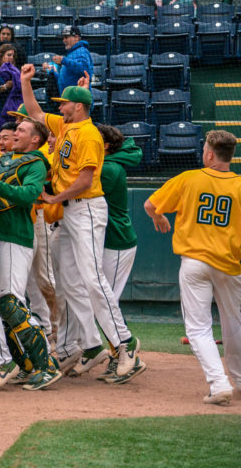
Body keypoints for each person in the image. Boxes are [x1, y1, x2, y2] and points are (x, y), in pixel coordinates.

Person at [20, 64, 141, 378]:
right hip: (70, 211)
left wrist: (53, 198)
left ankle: (126, 343)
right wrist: (25, 83)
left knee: (92, 278)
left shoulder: (87, 134)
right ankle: (89, 345)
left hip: (86, 207)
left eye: (65, 103)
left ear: (79, 106)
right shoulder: (65, 126)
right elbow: (34, 112)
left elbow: (86, 180)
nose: (60, 106)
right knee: (71, 283)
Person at [144, 130, 241, 406]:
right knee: (235, 324)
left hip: (195, 263)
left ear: (210, 153)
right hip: (229, 264)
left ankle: (219, 384)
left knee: (199, 329)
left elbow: (150, 204)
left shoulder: (189, 178)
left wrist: (159, 216)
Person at [0, 117, 62, 390]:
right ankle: (26, 364)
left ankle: (47, 366)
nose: (14, 133)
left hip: (15, 236)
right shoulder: (1, 158)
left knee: (11, 302)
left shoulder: (35, 163)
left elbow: (30, 194)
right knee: (1, 307)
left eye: (21, 130)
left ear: (35, 140)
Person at [96, 124, 147, 384]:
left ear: (105, 145)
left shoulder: (108, 168)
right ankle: (119, 353)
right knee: (104, 303)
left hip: (117, 242)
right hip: (110, 241)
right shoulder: (108, 162)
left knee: (108, 302)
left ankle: (128, 353)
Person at [44, 26, 93, 95]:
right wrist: (52, 71)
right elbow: (65, 79)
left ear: (76, 37)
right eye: (63, 38)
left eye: (66, 37)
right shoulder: (71, 53)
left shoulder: (82, 51)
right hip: (69, 98)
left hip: (79, 98)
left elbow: (84, 70)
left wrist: (64, 61)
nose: (63, 40)